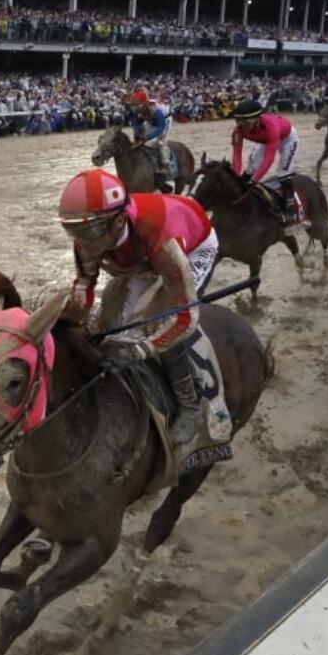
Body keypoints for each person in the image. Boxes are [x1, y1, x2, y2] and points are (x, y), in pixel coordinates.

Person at [58, 169, 230, 462]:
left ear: (119, 220)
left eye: (90, 233)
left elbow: (184, 319)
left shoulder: (161, 238)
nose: (83, 242)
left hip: (190, 248)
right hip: (135, 254)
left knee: (158, 320)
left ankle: (188, 403)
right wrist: (74, 324)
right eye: (75, 232)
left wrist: (140, 351)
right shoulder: (91, 235)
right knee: (109, 323)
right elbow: (85, 284)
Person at [127, 88, 174, 188]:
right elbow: (135, 123)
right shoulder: (137, 109)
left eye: (136, 105)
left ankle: (166, 166)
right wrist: (138, 134)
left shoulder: (155, 109)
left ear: (143, 104)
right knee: (140, 136)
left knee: (160, 142)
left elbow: (161, 127)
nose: (134, 108)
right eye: (132, 106)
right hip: (151, 119)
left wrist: (148, 136)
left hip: (165, 120)